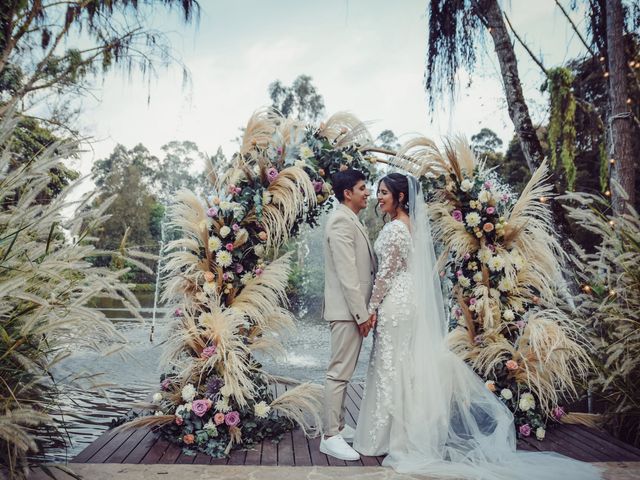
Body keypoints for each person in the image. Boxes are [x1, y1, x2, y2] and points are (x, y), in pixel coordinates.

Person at [353, 172, 602, 479]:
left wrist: (370, 309)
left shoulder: (394, 230)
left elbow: (385, 276)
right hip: (409, 303)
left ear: (401, 197)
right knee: (402, 367)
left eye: (384, 192)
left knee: (388, 366)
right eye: (377, 192)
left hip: (394, 303)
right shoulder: (411, 227)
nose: (379, 197)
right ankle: (397, 434)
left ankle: (381, 436)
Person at [319, 169, 377, 462]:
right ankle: (330, 436)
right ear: (347, 193)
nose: (368, 192)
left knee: (342, 371)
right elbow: (347, 274)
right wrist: (361, 313)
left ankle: (339, 426)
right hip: (347, 312)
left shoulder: (351, 219)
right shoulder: (341, 220)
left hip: (351, 312)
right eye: (363, 187)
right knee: (338, 373)